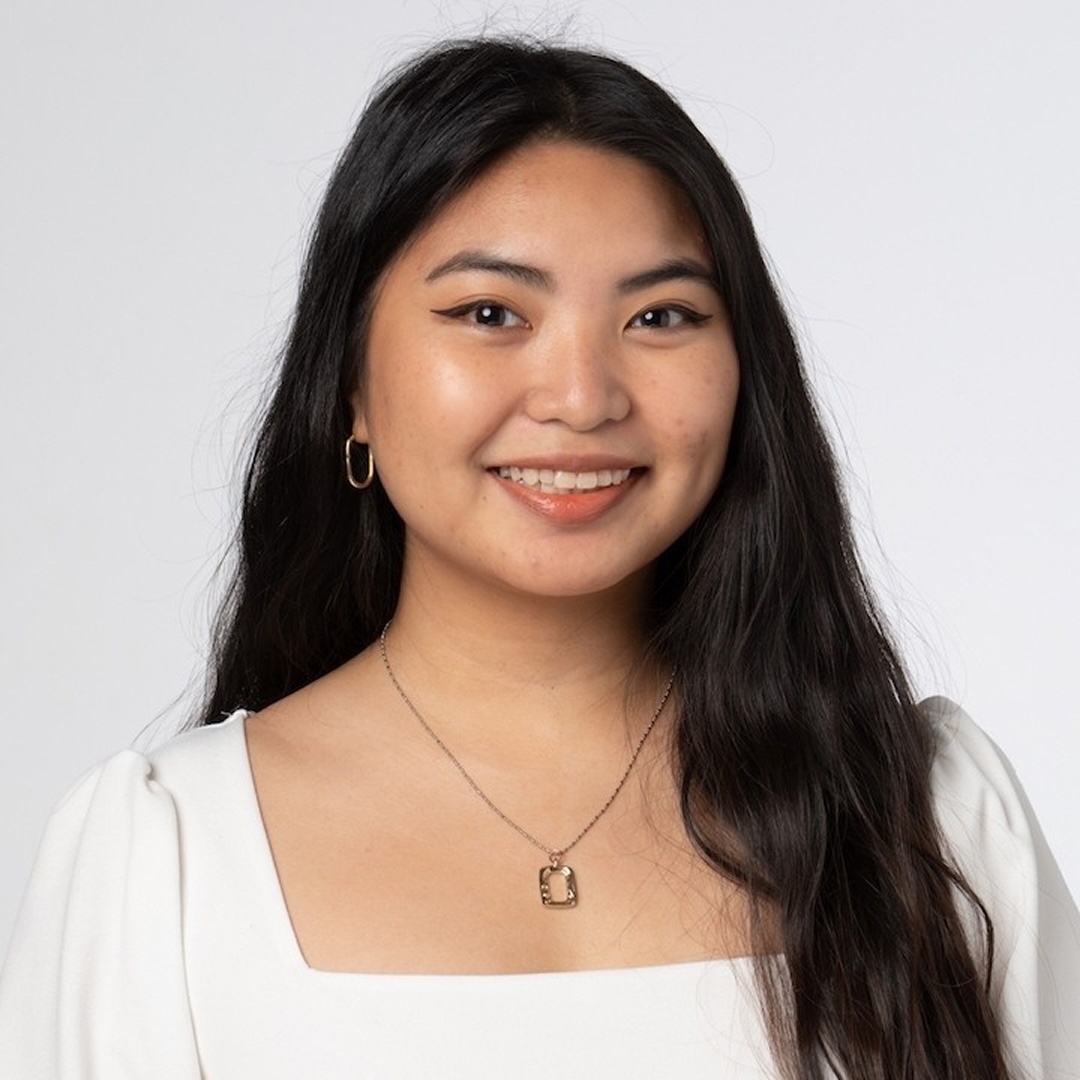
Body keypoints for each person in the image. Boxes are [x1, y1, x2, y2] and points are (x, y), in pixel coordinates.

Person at [1, 36, 1078, 1079]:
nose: (581, 398)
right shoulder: (169, 859)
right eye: (489, 313)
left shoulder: (932, 817)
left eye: (661, 315)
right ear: (351, 390)